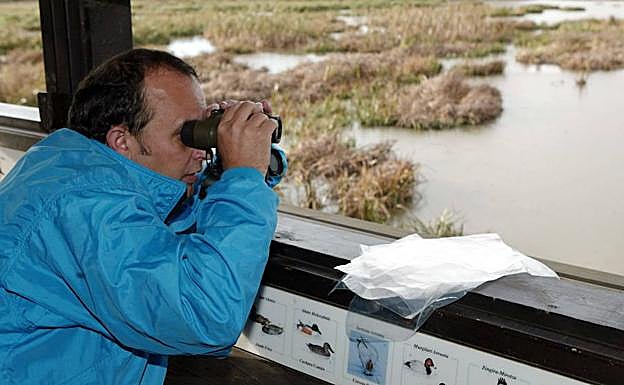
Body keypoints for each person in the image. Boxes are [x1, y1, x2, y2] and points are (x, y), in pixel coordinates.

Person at [0, 48, 279, 384]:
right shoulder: (85, 207)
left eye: (202, 129)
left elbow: (160, 233)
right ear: (122, 140)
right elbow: (205, 315)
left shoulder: (72, 168)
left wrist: (231, 162)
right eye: (185, 135)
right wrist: (244, 176)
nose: (201, 151)